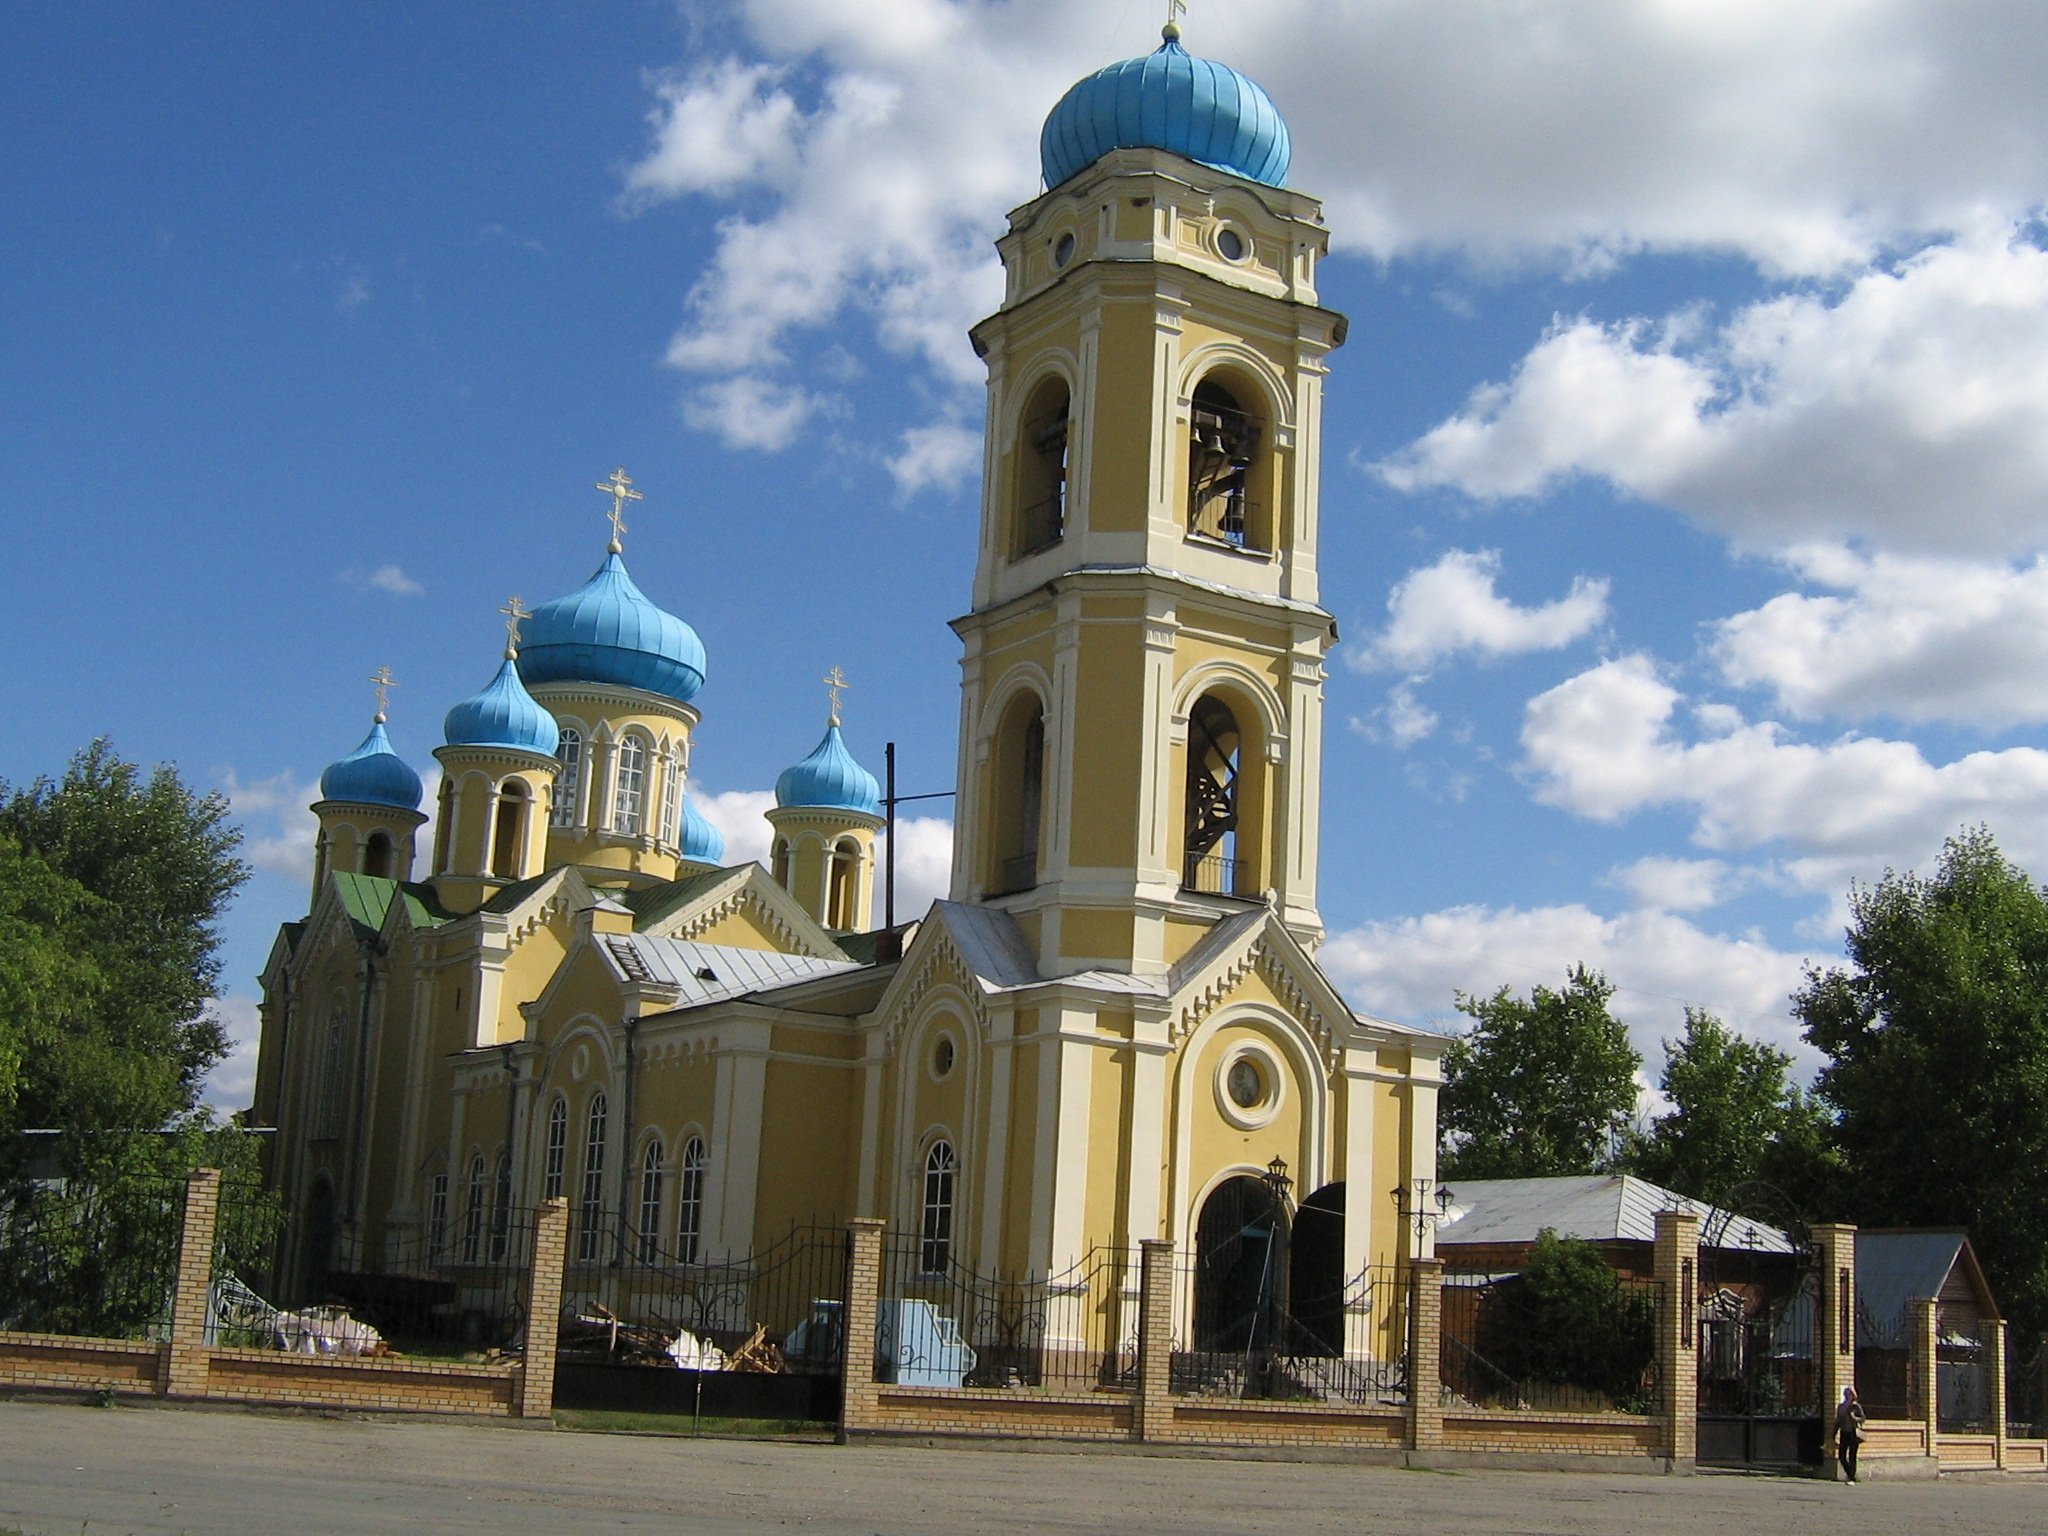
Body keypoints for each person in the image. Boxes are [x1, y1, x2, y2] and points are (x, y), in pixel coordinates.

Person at [1834, 1385, 1866, 1482]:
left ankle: (1852, 1476)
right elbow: (1838, 1421)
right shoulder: (1841, 1407)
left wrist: (1854, 1418)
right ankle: (1850, 1473)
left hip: (1853, 1432)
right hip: (1844, 1432)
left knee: (1852, 1455)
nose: (1848, 1395)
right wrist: (1833, 1434)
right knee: (1842, 1456)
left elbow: (1863, 1418)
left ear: (1853, 1395)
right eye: (1846, 1393)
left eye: (1850, 1394)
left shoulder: (1856, 1406)